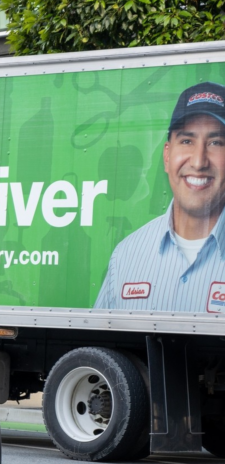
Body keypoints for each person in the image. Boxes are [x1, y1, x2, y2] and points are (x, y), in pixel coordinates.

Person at [95, 82, 225, 312]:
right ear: (167, 156)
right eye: (187, 141)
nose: (198, 161)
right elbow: (98, 347)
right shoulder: (127, 255)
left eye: (216, 142)